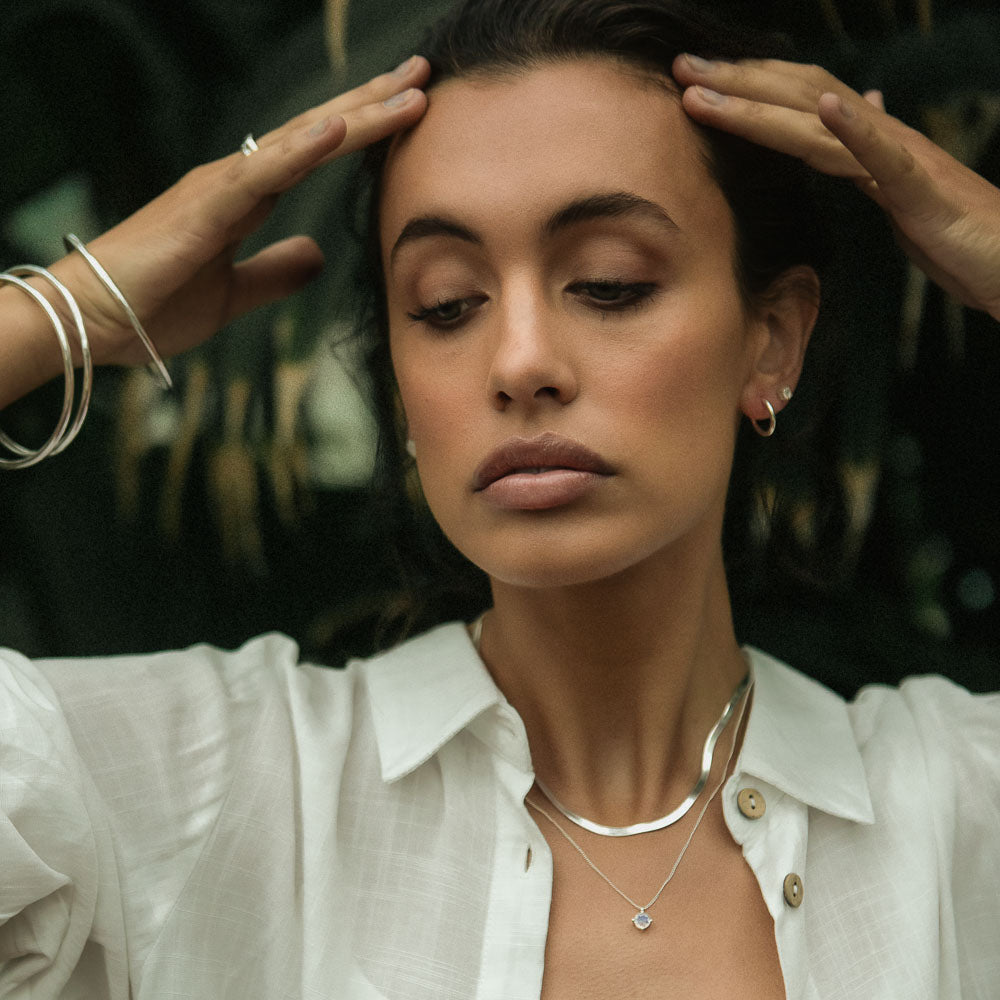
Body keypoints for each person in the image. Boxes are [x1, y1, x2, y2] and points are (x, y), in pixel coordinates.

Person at [2, 0, 999, 997]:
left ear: (770, 339)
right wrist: (69, 308)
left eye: (608, 284)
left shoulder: (957, 813)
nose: (519, 361)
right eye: (445, 304)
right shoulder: (210, 795)